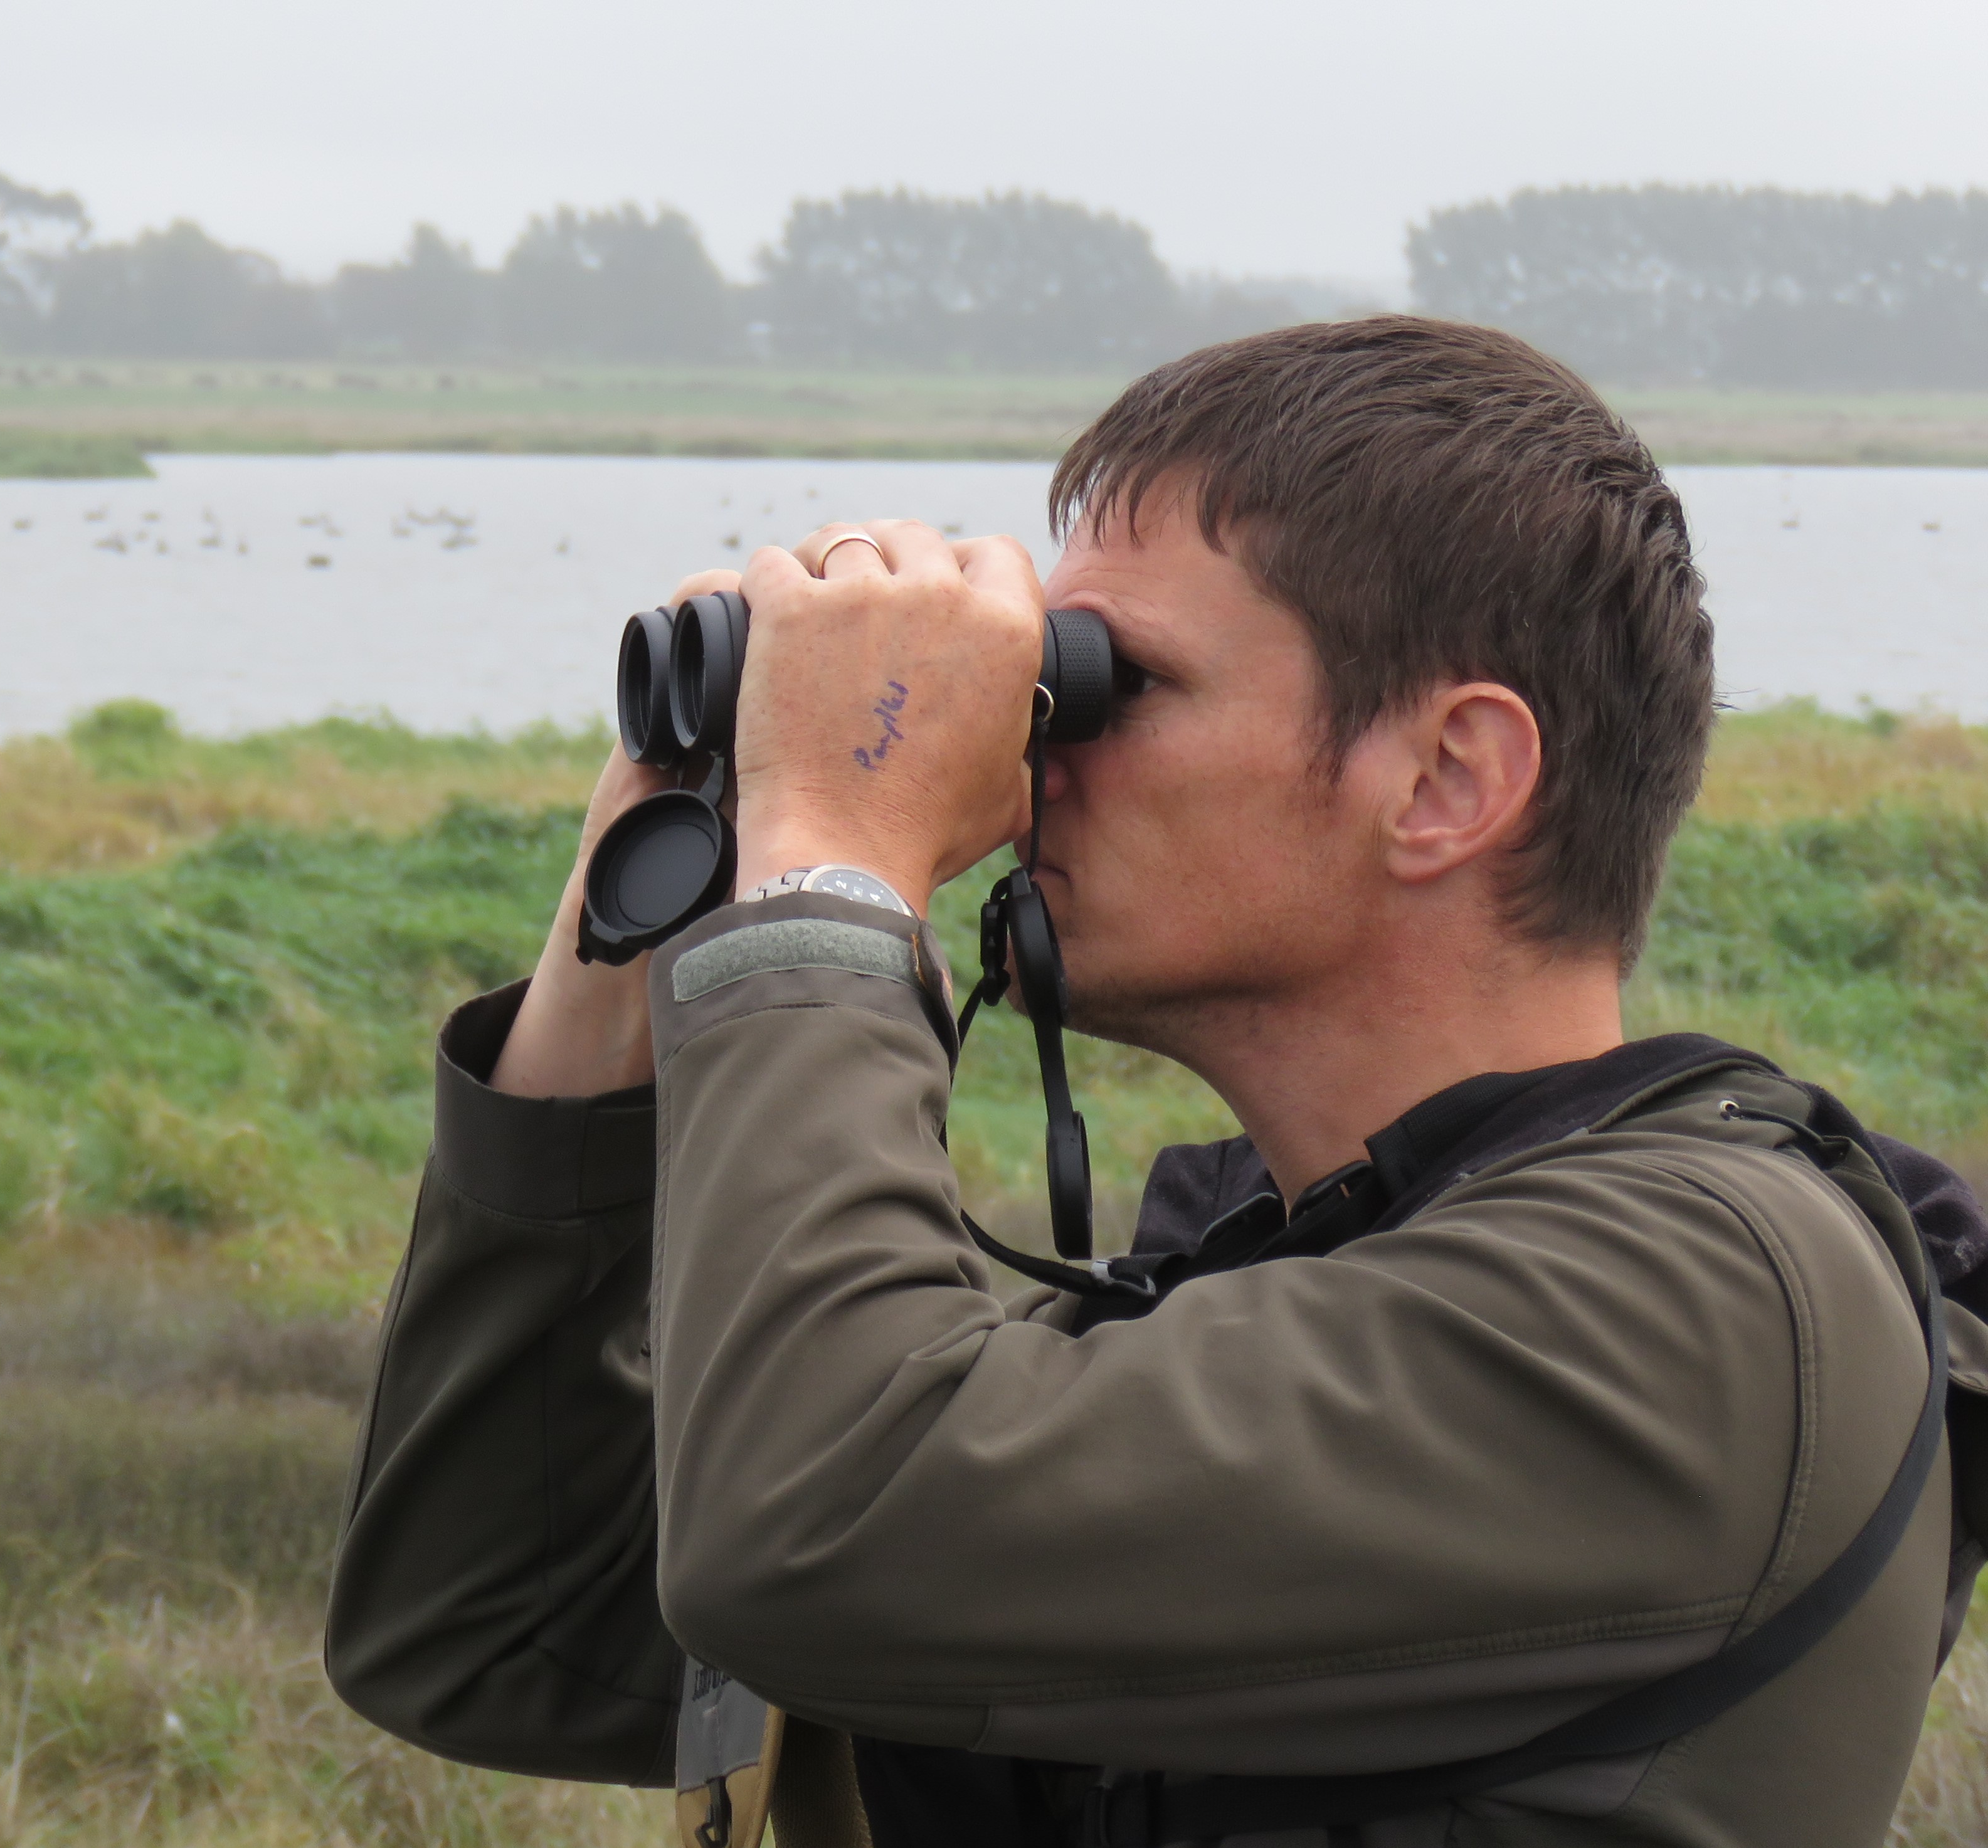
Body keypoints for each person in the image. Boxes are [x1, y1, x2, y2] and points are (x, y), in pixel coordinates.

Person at [322, 317, 1988, 1847]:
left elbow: (812, 1521)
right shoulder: (1257, 1298)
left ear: (1446, 777)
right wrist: (669, 848)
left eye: (1110, 681)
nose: (1033, 745)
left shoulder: (1705, 1304)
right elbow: (489, 1623)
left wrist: (836, 857)